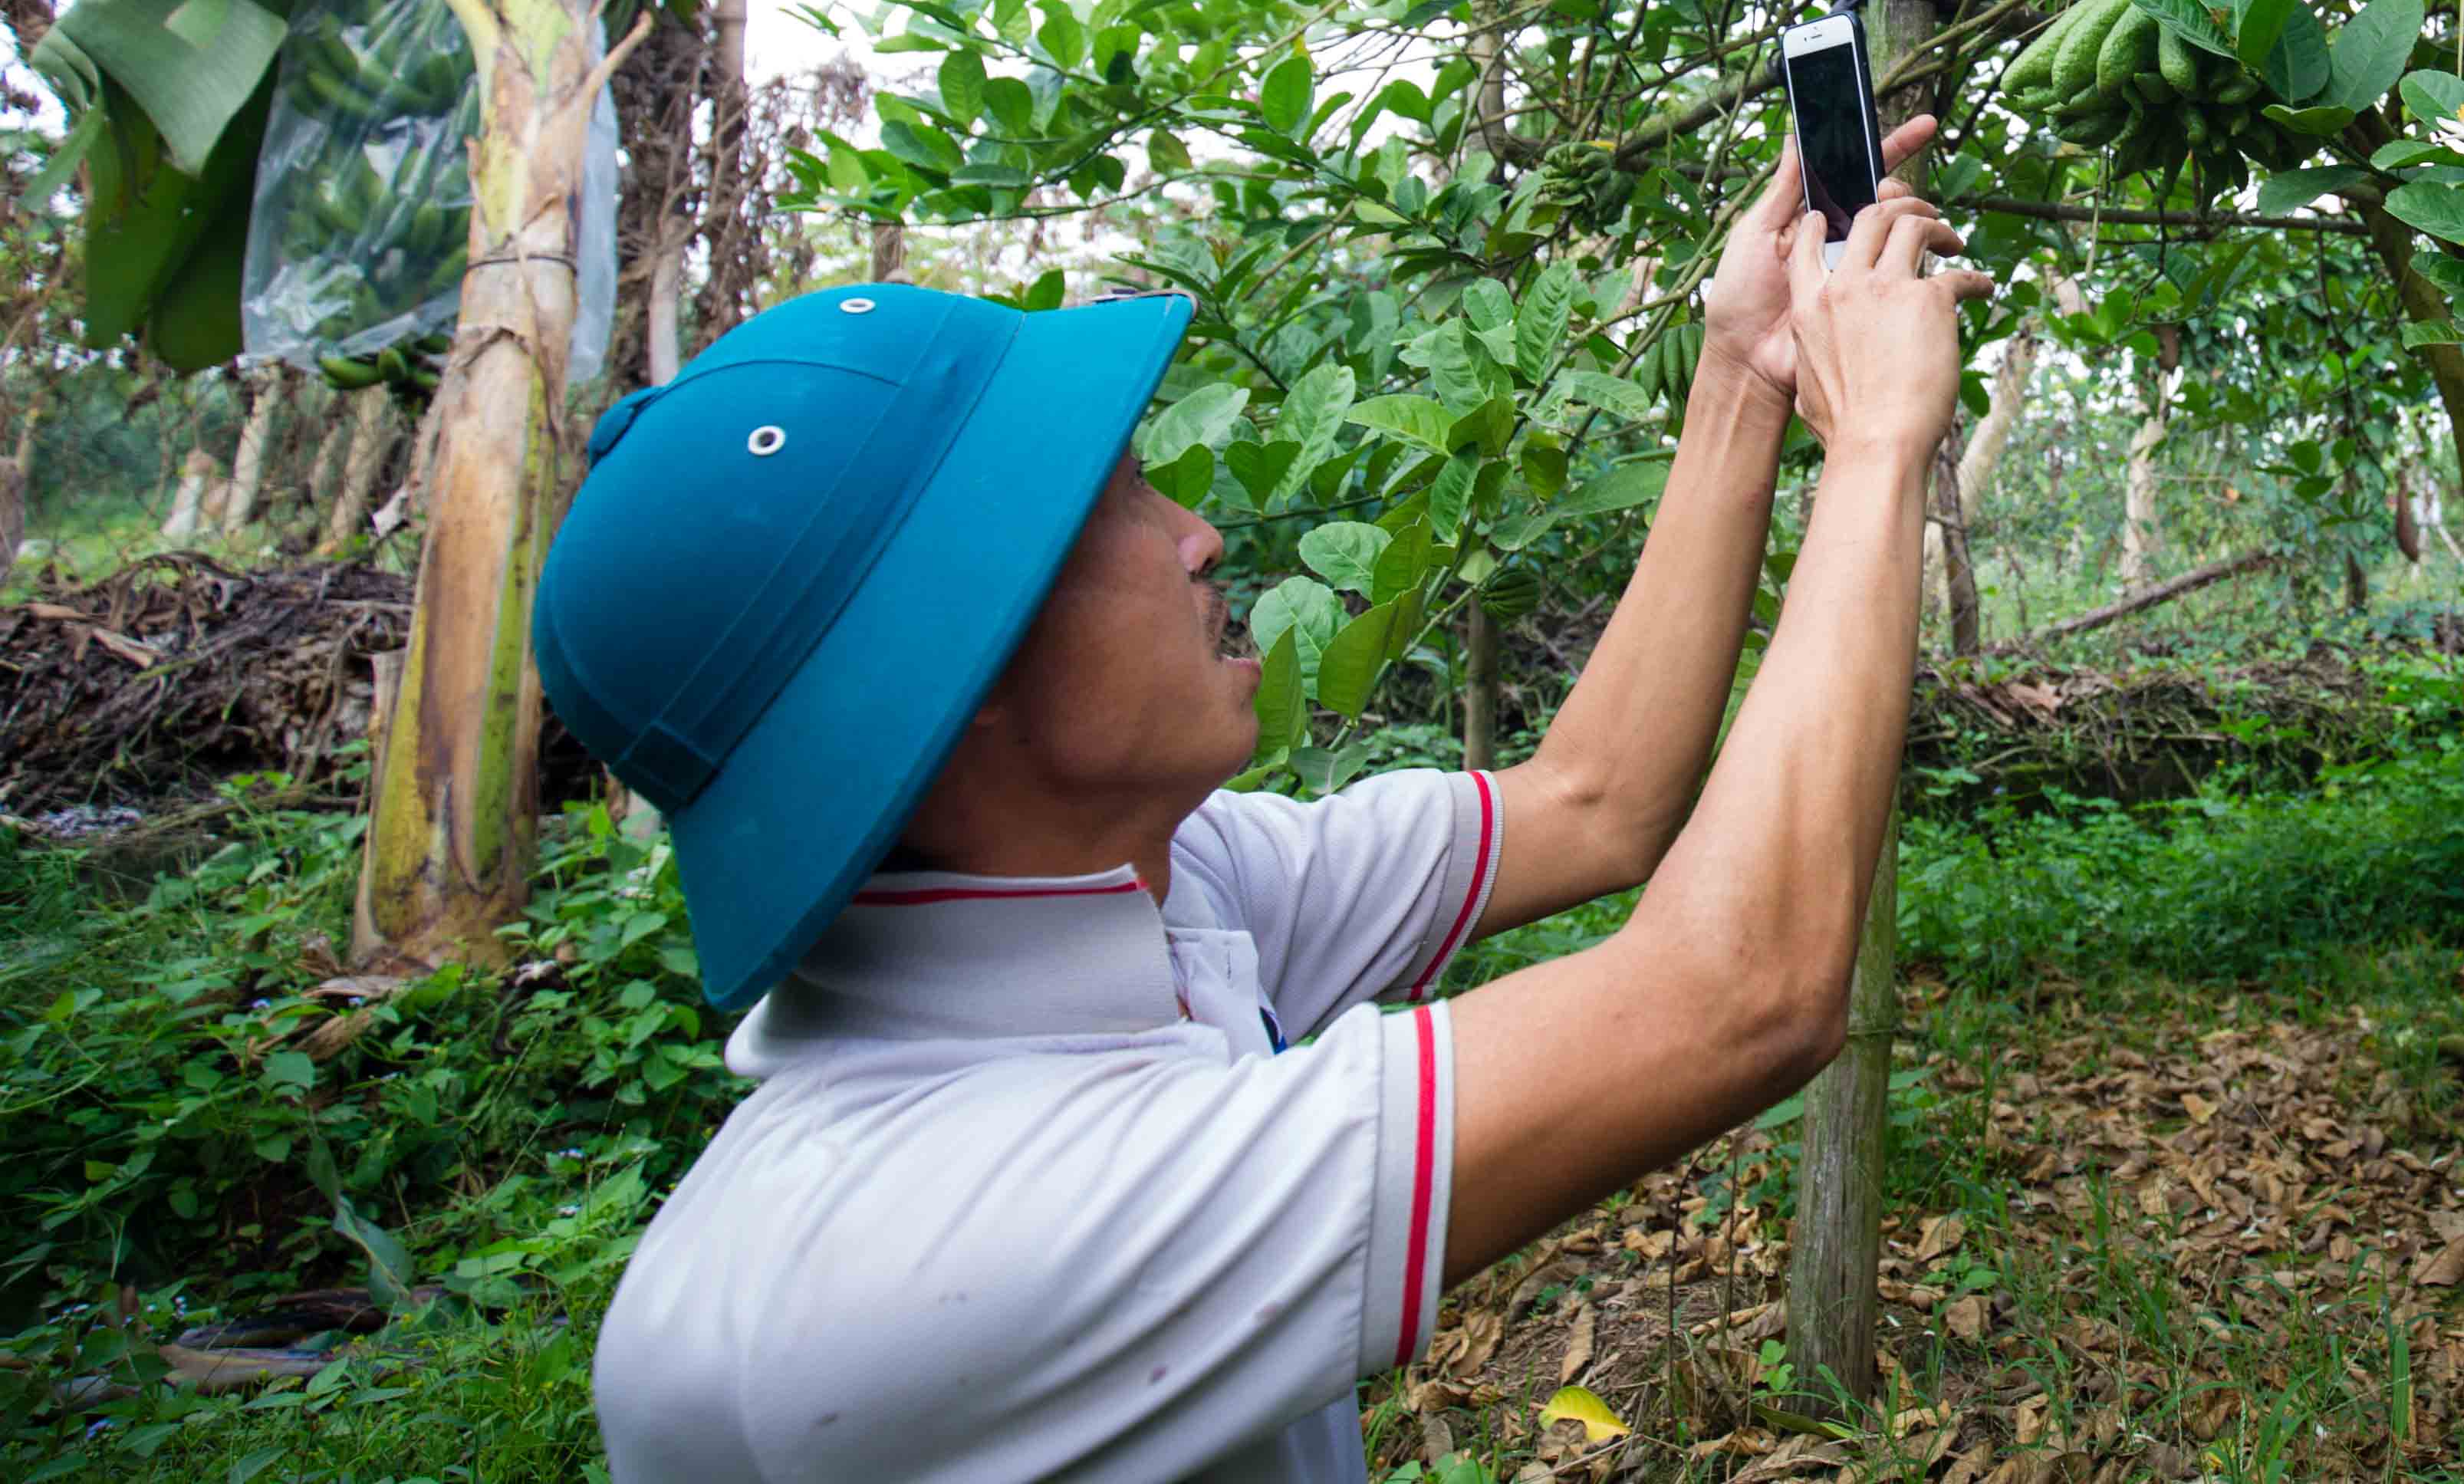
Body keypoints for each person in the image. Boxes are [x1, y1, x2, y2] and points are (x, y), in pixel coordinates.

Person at [533, 123, 1984, 1483]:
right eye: (1115, 498)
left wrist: (1742, 375)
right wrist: (1875, 449)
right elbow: (1738, 996)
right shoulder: (925, 1244)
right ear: (949, 662)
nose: (1197, 535)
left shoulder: (1162, 893)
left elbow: (1590, 802)